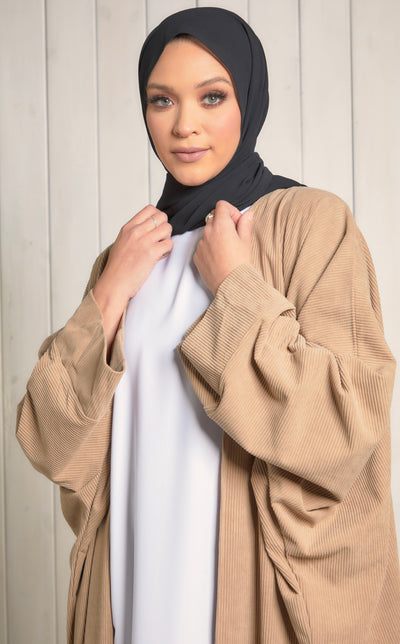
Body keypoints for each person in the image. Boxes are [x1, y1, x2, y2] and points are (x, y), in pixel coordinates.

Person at [16, 7, 400, 644]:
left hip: (246, 592)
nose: (184, 125)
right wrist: (108, 292)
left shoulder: (309, 223)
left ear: (248, 98)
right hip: (137, 583)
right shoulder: (129, 255)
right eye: (161, 100)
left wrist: (235, 287)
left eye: (212, 97)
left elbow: (346, 426)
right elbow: (52, 440)